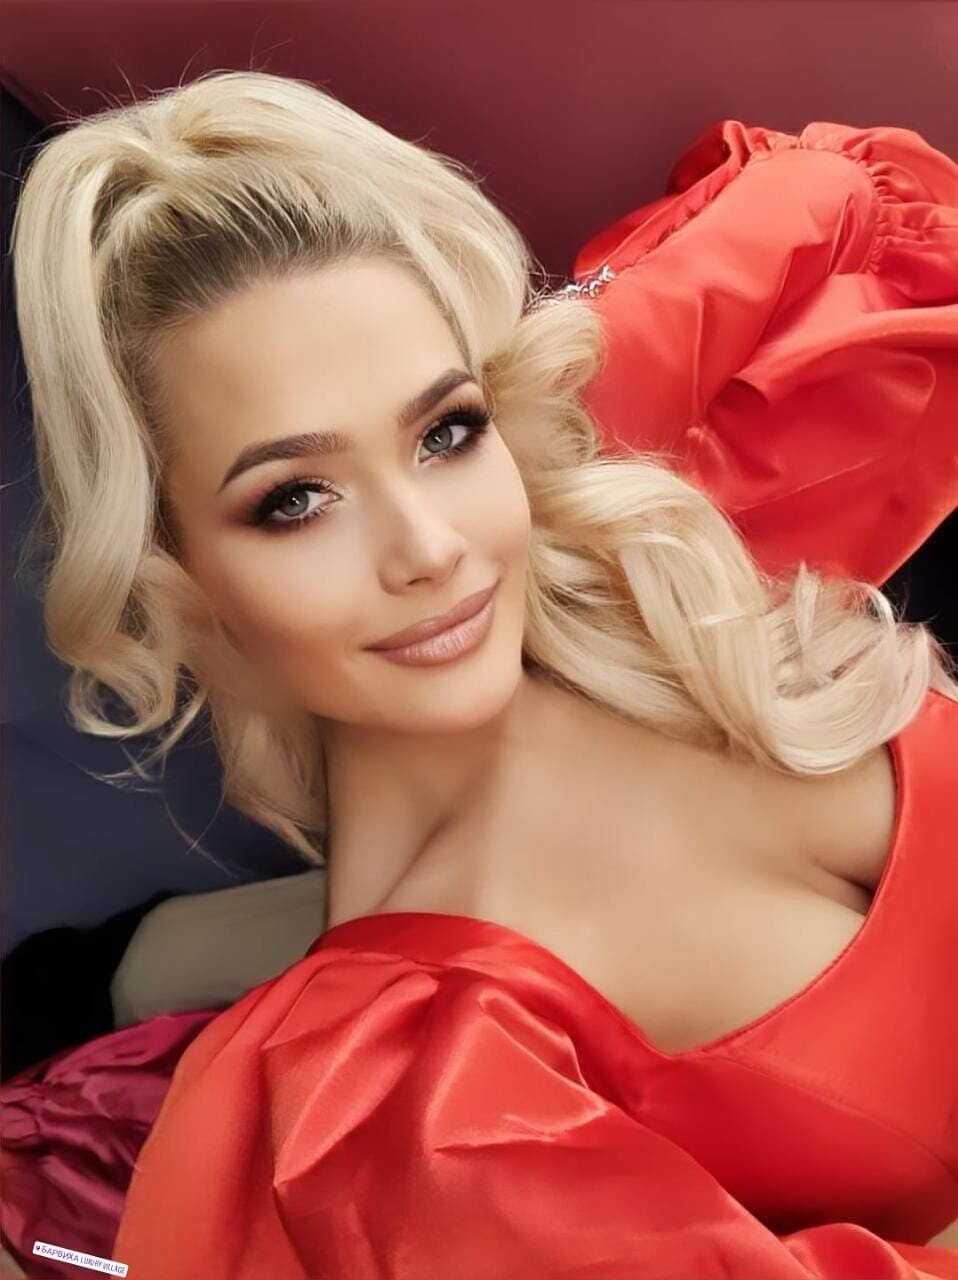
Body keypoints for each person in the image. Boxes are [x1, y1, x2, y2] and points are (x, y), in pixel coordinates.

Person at [9, 68, 958, 1279]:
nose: (430, 547)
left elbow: (853, 195)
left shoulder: (616, 510)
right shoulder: (412, 1087)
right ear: (175, 569)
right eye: (294, 499)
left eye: (442, 430)